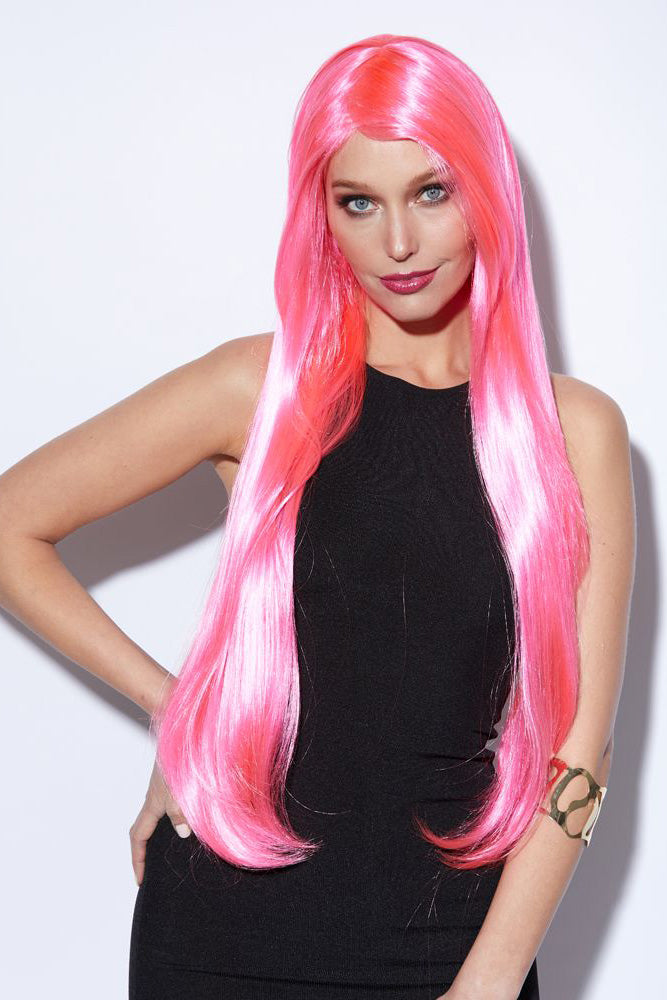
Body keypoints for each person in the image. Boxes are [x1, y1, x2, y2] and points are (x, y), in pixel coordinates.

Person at [0, 33, 635, 1000]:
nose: (397, 244)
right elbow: (14, 524)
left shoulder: (574, 429)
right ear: (320, 213)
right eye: (357, 202)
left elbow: (576, 753)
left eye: (431, 192)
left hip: (452, 944)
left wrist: (490, 980)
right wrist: (180, 712)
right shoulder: (261, 389)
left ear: (487, 192)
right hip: (222, 928)